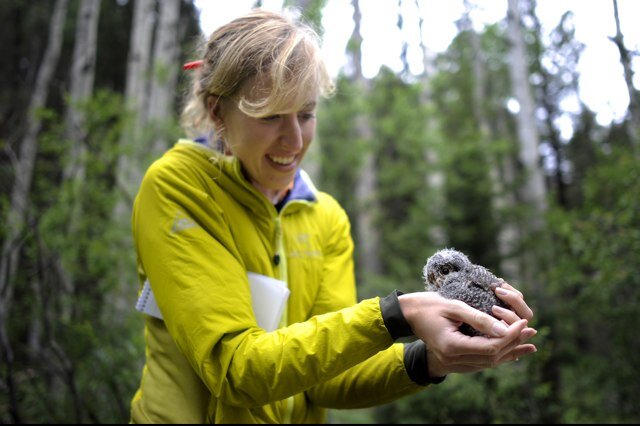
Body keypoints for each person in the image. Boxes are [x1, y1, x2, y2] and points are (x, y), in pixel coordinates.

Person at [129, 9, 537, 424]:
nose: (294, 139)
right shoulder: (179, 187)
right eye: (271, 116)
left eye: (306, 114)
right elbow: (238, 371)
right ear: (218, 112)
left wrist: (431, 358)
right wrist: (396, 315)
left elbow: (328, 380)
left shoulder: (324, 217)